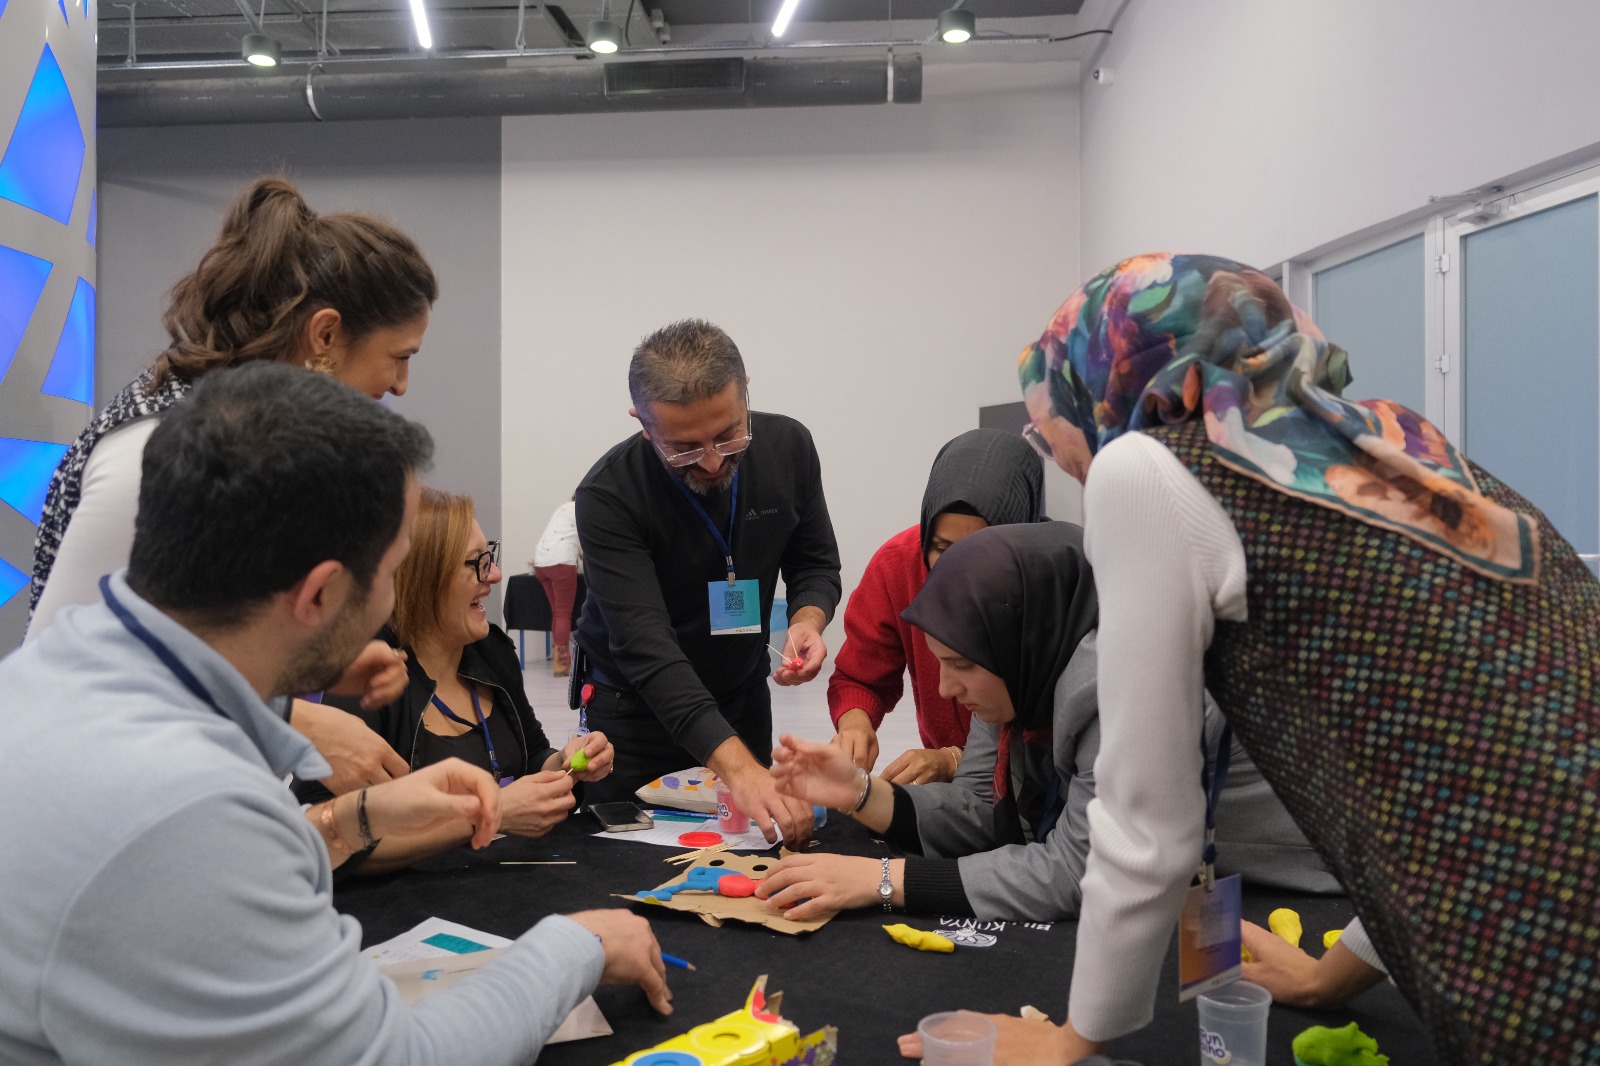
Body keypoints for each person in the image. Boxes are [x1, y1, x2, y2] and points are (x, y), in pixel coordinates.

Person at [902, 254, 1600, 1064]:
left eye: (1052, 413)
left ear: (1116, 378)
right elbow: (1457, 775)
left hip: (1543, 926)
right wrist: (1330, 978)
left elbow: (1144, 821)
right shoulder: (1391, 443)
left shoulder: (1148, 467)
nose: (1059, 449)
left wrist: (1071, 1040)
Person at [0, 363, 671, 1065]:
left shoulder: (61, 667)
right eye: (392, 569)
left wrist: (350, 819)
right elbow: (398, 1057)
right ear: (320, 594)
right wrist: (577, 946)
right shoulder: (193, 804)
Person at [27, 175, 438, 796]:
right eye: (399, 356)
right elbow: (63, 675)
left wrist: (304, 660)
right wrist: (290, 718)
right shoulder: (156, 450)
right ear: (325, 335)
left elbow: (183, 636)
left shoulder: (239, 438)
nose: (401, 386)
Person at [765, 523, 1332, 923]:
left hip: (1310, 888)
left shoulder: (1121, 683)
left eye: (962, 665)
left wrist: (882, 881)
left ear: (1022, 636)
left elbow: (1077, 872)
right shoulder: (1022, 663)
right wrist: (860, 792)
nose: (945, 690)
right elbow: (980, 812)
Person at [573, 318, 842, 844]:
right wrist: (740, 770)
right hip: (636, 713)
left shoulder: (789, 447)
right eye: (685, 448)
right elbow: (647, 647)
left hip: (740, 697)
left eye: (728, 435)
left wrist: (808, 619)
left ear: (745, 392)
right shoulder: (609, 496)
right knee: (628, 860)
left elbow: (815, 562)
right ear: (643, 423)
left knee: (742, 849)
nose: (715, 461)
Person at [307, 489, 615, 874]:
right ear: (424, 576)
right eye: (477, 563)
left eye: (491, 556)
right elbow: (321, 840)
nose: (495, 575)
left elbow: (533, 755)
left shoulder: (491, 652)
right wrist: (488, 815)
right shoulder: (368, 677)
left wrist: (566, 763)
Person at [828, 428, 1044, 784]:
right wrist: (855, 723)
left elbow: (1056, 737)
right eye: (942, 548)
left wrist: (954, 760)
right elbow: (859, 675)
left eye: (981, 548)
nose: (958, 568)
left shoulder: (1056, 580)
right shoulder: (898, 565)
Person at [531, 497, 581, 676]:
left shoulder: (564, 508)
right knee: (563, 614)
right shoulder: (582, 508)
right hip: (561, 562)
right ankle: (562, 663)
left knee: (558, 613)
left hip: (541, 563)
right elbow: (588, 540)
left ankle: (559, 662)